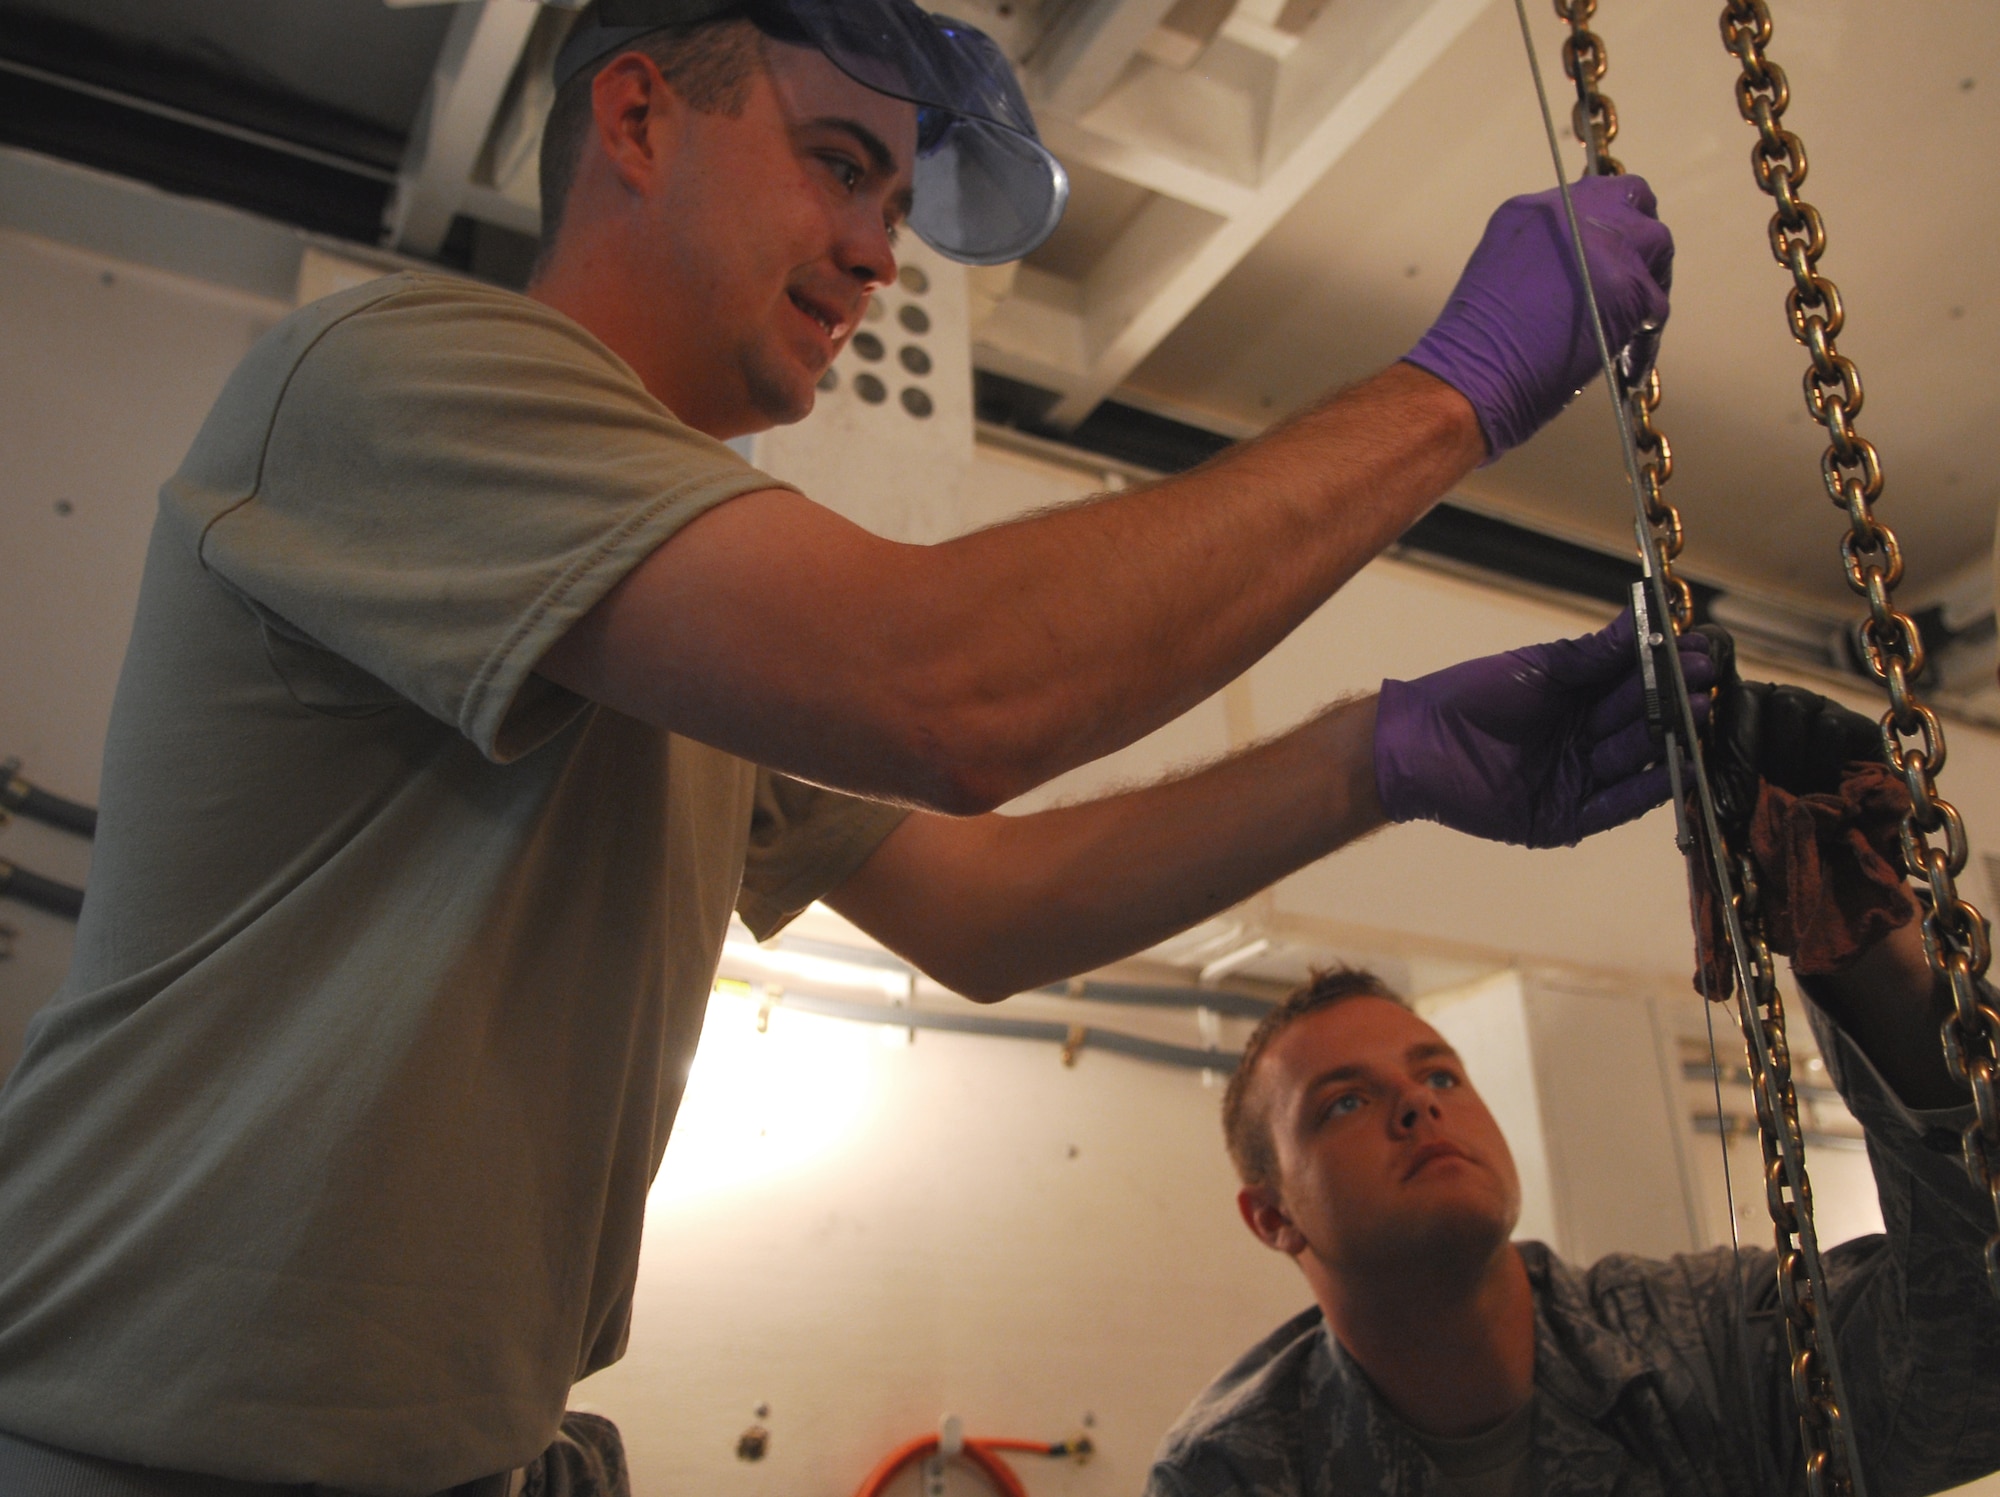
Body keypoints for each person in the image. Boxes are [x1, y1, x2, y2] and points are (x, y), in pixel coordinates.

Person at [0, 1, 1686, 1493]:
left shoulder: (674, 615)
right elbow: (958, 693)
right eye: (837, 163)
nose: (882, 255)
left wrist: (1374, 756)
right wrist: (1454, 391)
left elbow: (989, 908)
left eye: (893, 204)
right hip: (130, 1451)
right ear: (638, 115)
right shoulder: (397, 374)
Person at [1146, 669, 2000, 1497]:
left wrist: (1876, 966)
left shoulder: (1704, 1341)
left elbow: (1967, 1372)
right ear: (1273, 1216)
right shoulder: (1238, 1472)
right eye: (1344, 1101)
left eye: (1438, 1072)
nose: (1418, 1102)